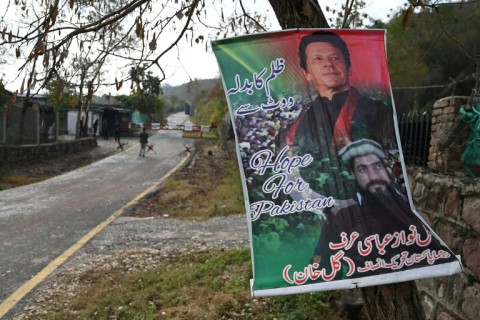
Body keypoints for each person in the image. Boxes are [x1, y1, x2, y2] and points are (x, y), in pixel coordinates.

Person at [311, 139, 457, 279]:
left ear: (385, 168)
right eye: (362, 169)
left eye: (377, 166)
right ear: (353, 174)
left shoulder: (406, 203)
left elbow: (430, 250)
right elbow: (321, 265)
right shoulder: (340, 214)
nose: (373, 176)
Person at [277, 31, 395, 199]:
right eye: (317, 59)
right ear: (307, 74)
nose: (328, 65)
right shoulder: (297, 127)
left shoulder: (377, 110)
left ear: (349, 68)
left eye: (335, 58)